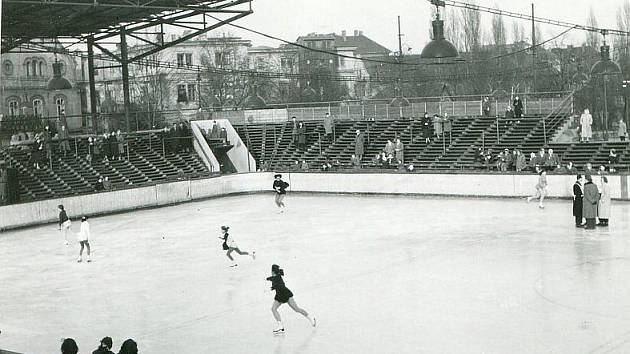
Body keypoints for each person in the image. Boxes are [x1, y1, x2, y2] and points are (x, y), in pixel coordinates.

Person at [266, 264, 316, 334]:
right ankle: (280, 326)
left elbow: (280, 284)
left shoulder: (277, 278)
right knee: (273, 309)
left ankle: (311, 319)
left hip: (286, 294)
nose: (271, 272)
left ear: (273, 272)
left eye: (271, 271)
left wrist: (272, 287)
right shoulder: (276, 276)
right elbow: (273, 279)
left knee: (296, 309)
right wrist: (268, 279)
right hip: (279, 295)